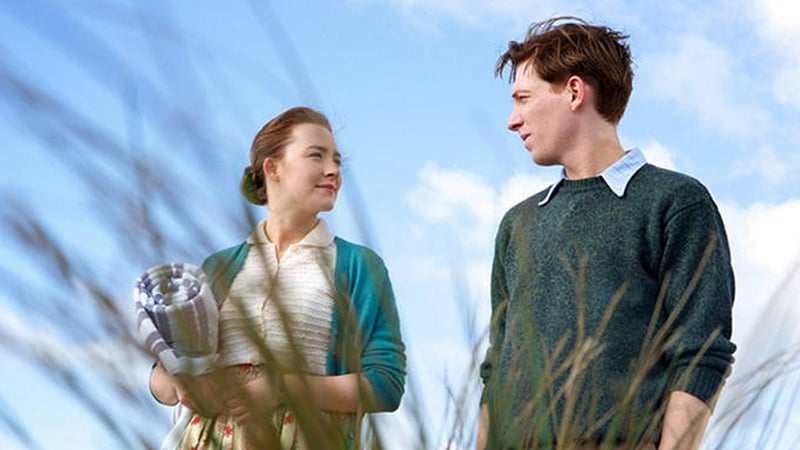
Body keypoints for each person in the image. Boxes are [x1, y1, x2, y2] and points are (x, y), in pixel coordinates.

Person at [477, 17, 736, 450]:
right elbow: (497, 364)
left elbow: (701, 350)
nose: (511, 120)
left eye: (523, 99)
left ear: (575, 92)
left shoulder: (675, 202)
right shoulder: (516, 224)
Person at [149, 106, 406, 449]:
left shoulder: (359, 265)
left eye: (337, 161)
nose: (333, 170)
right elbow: (161, 377)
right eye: (317, 156)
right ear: (273, 168)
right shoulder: (219, 267)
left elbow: (386, 385)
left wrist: (285, 387)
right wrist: (182, 383)